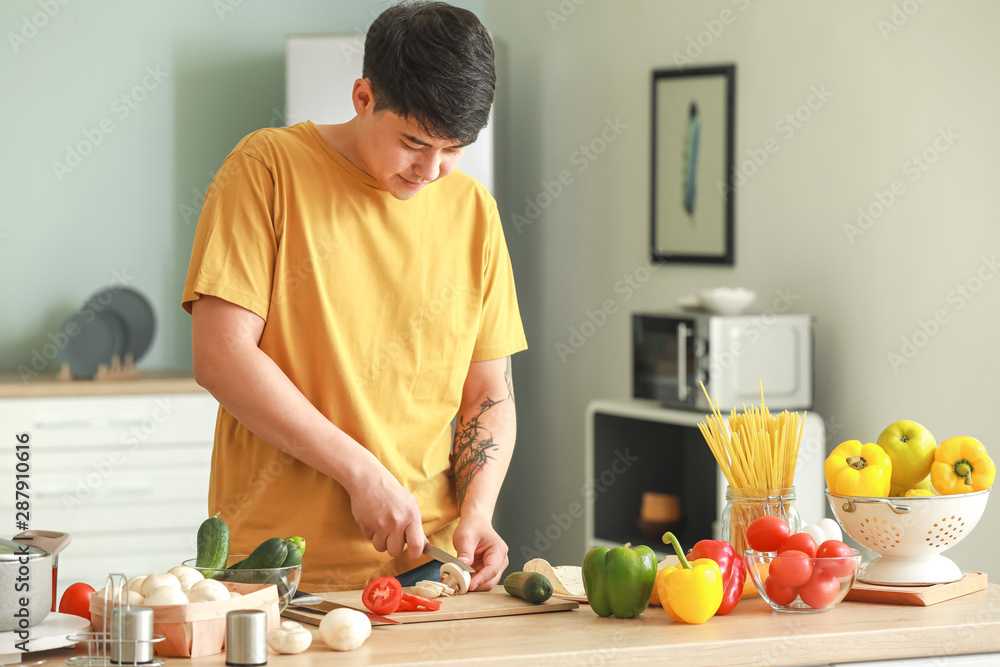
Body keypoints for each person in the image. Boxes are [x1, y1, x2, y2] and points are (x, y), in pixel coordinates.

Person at [181, 1, 525, 593]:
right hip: (276, 566)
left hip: (426, 568)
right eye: (414, 142)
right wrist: (362, 474)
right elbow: (222, 357)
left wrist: (479, 510)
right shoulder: (267, 169)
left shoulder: (473, 211)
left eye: (454, 148)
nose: (432, 170)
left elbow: (487, 391)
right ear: (363, 97)